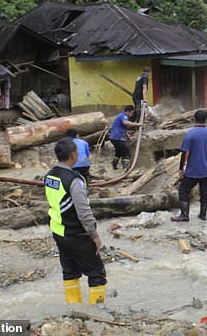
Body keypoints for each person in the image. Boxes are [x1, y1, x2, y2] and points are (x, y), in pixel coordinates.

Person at [44, 138, 106, 305]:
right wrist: (94, 235)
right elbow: (83, 211)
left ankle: (74, 308)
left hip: (58, 231)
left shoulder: (50, 176)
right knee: (96, 273)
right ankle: (97, 311)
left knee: (70, 271)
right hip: (76, 234)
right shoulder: (74, 179)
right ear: (73, 155)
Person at [171, 110, 207, 222]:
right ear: (205, 119)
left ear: (194, 119)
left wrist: (181, 169)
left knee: (183, 190)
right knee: (205, 192)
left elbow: (185, 153)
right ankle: (203, 215)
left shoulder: (190, 134)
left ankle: (184, 214)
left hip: (194, 169)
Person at [109, 105, 141, 171]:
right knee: (126, 153)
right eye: (132, 113)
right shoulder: (123, 116)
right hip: (117, 137)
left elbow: (123, 129)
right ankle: (126, 169)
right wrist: (138, 124)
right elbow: (125, 123)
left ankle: (114, 165)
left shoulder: (122, 116)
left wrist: (129, 138)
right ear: (127, 112)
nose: (132, 115)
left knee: (118, 152)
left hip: (114, 137)